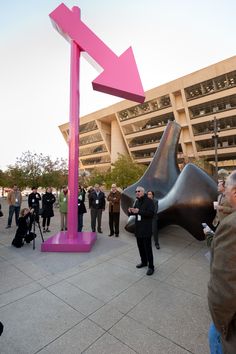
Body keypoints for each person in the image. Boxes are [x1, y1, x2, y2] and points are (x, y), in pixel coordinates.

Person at [207, 170, 236, 353]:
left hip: (230, 327)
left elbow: (224, 289)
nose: (223, 191)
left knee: (215, 337)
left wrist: (222, 326)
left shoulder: (232, 226)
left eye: (227, 189)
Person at [128, 186, 155, 276]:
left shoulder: (149, 201)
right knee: (140, 247)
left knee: (148, 249)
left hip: (146, 229)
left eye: (138, 191)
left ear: (143, 192)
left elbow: (151, 214)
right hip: (138, 228)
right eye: (136, 191)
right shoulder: (137, 201)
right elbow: (135, 212)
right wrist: (130, 211)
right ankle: (144, 262)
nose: (137, 192)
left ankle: (151, 266)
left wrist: (139, 211)